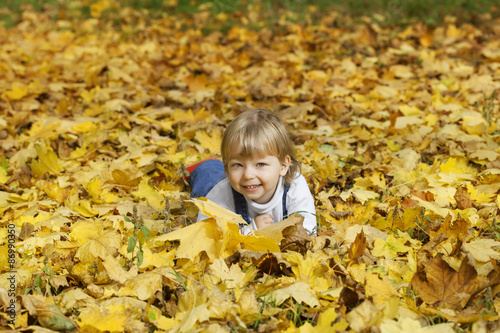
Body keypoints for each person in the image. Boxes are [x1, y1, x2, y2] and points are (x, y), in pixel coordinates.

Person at [187, 108, 316, 235]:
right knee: (208, 179)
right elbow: (209, 233)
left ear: (283, 166)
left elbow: (307, 230)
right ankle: (206, 165)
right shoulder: (221, 193)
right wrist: (252, 231)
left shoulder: (295, 187)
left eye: (260, 164)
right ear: (227, 166)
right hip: (215, 183)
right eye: (238, 164)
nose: (248, 175)